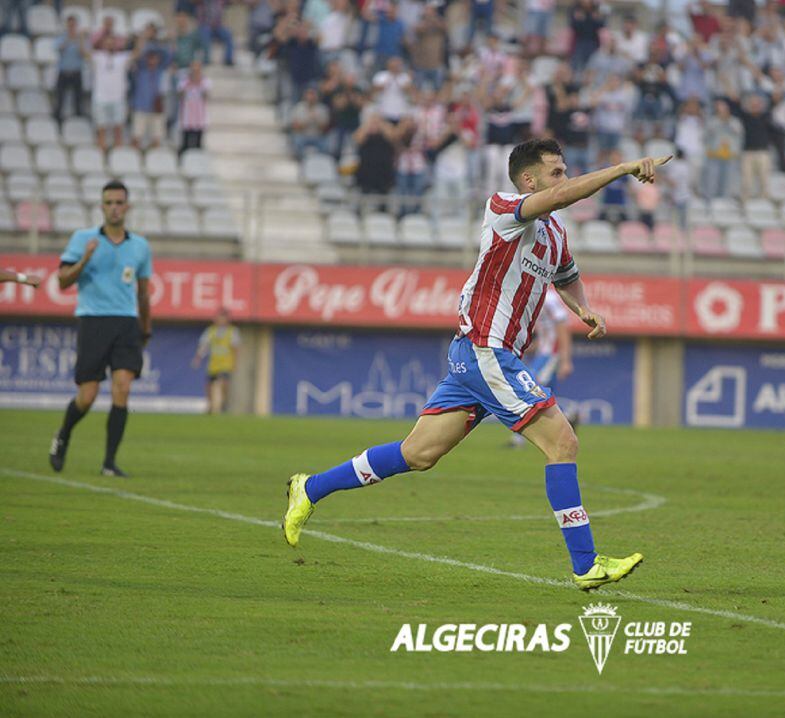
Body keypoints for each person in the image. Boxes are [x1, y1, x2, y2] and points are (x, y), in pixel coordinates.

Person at [283, 140, 669, 590]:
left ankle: (309, 489)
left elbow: (567, 277)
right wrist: (622, 168)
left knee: (418, 454)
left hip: (484, 355)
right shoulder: (505, 209)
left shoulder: (555, 235)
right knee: (563, 443)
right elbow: (565, 197)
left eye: (565, 171)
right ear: (530, 180)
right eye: (556, 172)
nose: (562, 179)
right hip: (487, 348)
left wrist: (583, 309)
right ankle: (586, 564)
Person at [49, 180, 153, 478]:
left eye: (119, 202)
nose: (114, 208)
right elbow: (62, 280)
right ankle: (63, 434)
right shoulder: (83, 239)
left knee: (123, 388)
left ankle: (109, 462)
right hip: (93, 320)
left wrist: (145, 329)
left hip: (126, 321)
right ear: (101, 206)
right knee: (88, 395)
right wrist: (84, 259)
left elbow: (143, 292)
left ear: (127, 207)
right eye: (109, 203)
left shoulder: (140, 246)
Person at [510, 287, 576, 449]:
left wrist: (565, 360)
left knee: (528, 390)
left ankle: (518, 440)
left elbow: (562, 329)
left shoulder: (549, 300)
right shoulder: (535, 300)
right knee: (543, 395)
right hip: (544, 353)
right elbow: (547, 333)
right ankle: (569, 417)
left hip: (551, 355)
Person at [191, 309, 240, 414]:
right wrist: (198, 358)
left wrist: (235, 363)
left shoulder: (232, 331)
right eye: (219, 318)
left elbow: (235, 348)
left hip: (226, 363)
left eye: (223, 318)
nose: (221, 320)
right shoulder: (210, 331)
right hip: (213, 363)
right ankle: (210, 405)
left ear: (228, 319)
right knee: (209, 385)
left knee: (224, 383)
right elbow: (204, 346)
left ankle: (224, 403)